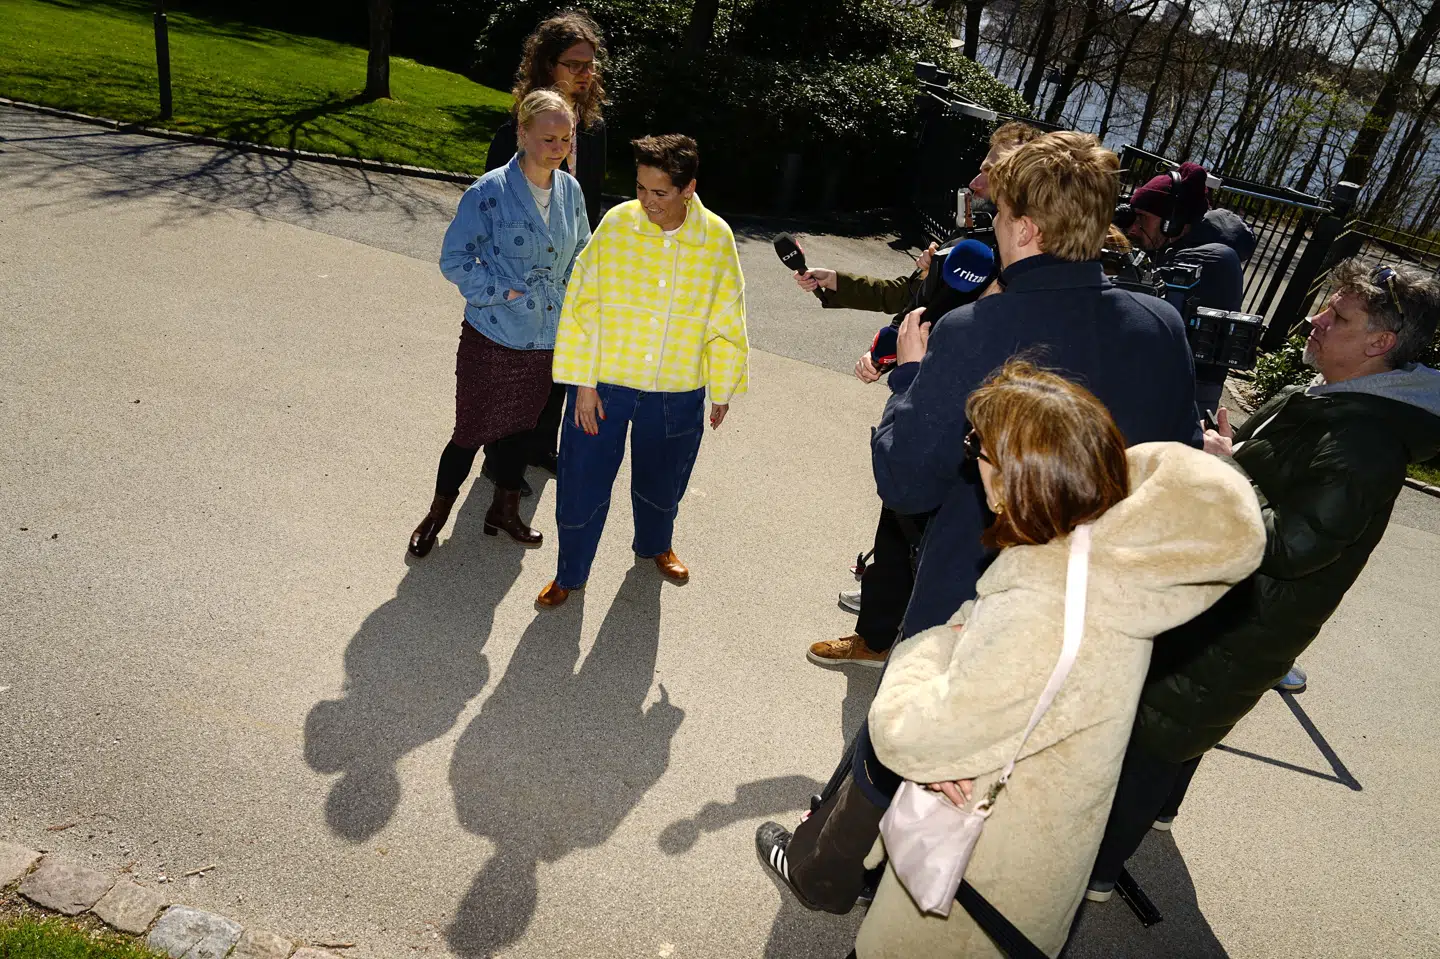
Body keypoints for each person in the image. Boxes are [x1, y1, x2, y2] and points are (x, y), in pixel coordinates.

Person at [757, 130, 1203, 905]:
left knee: (905, 727)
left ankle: (827, 868)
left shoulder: (975, 333)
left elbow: (906, 481)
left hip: (976, 586)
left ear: (1026, 228)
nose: (990, 224)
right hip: (1099, 601)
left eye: (997, 213)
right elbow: (1175, 464)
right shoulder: (1161, 326)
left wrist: (914, 374)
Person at [841, 361, 1263, 957]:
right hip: (1035, 860)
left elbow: (910, 736)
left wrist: (926, 649)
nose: (973, 462)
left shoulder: (1045, 603)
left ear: (1019, 475)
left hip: (977, 887)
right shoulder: (1101, 561)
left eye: (978, 448)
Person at [1087, 259, 1440, 901]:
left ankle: (1095, 874)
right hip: (1226, 601)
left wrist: (1222, 476)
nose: (1316, 320)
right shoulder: (1328, 394)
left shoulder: (1366, 441)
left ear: (1380, 344)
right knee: (1181, 720)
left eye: (1339, 317)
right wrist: (1232, 458)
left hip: (1247, 616)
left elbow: (1291, 546)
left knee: (1159, 730)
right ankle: (1158, 811)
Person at [802, 120, 1043, 670]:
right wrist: (846, 294)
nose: (978, 177)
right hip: (932, 393)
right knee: (900, 520)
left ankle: (902, 639)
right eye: (984, 164)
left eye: (992, 168)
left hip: (971, 414)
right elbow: (916, 304)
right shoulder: (971, 246)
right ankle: (881, 628)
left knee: (933, 527)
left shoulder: (1010, 262)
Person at [536, 134, 748, 608]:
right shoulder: (617, 224)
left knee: (663, 479)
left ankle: (655, 545)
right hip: (606, 383)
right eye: (640, 188)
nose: (647, 203)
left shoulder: (716, 238)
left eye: (660, 193)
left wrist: (723, 387)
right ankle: (570, 572)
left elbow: (727, 314)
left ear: (688, 188)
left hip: (676, 388)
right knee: (581, 480)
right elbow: (582, 304)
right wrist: (583, 384)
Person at [407, 90, 590, 557]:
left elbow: (584, 252)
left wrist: (570, 295)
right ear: (523, 134)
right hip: (494, 336)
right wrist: (502, 292)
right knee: (470, 431)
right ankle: (437, 514)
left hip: (547, 339)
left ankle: (504, 510)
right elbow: (454, 259)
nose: (558, 148)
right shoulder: (489, 192)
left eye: (566, 139)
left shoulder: (570, 190)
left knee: (523, 431)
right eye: (548, 138)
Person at [483, 11, 610, 492]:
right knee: (513, 364)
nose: (585, 72)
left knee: (559, 360)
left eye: (590, 64)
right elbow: (491, 204)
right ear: (546, 64)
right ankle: (500, 458)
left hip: (569, 269)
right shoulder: (513, 130)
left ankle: (539, 445)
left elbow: (590, 204)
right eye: (574, 62)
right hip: (518, 271)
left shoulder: (593, 130)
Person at [1125, 161, 1257, 420]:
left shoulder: (1214, 258)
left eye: (1143, 218)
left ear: (1172, 222)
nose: (1133, 228)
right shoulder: (1175, 249)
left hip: (1188, 393)